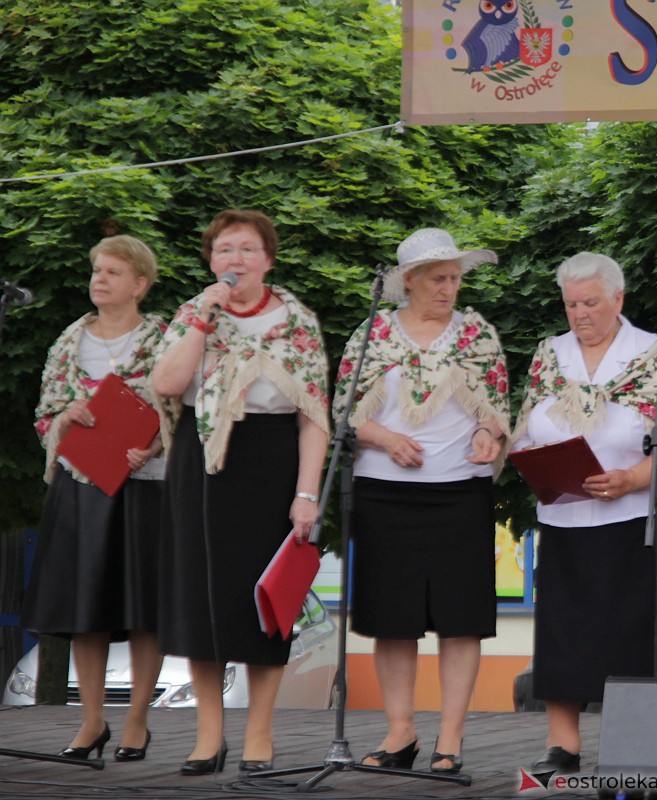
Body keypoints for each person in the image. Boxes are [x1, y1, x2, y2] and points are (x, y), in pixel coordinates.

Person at [152, 210, 330, 776]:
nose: (235, 260)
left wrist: (306, 493)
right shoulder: (192, 313)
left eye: (248, 250)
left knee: (264, 606)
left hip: (271, 462)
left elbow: (315, 418)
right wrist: (203, 319)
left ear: (268, 260)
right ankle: (209, 737)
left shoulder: (298, 322)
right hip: (201, 461)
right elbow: (166, 385)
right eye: (225, 250)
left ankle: (259, 735)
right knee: (200, 602)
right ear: (211, 261)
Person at [331, 228, 508, 774]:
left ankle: (449, 740)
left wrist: (489, 435)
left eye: (455, 278)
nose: (449, 288)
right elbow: (341, 410)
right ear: (408, 281)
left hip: (459, 492)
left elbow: (498, 407)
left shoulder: (477, 334)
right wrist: (382, 438)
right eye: (438, 279)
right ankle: (399, 732)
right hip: (384, 493)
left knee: (461, 619)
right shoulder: (372, 334)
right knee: (392, 619)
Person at [512, 252, 657, 774]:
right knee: (564, 633)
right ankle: (562, 744)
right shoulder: (551, 353)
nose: (580, 314)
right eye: (571, 304)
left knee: (633, 632)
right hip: (566, 516)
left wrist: (632, 479)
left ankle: (638, 739)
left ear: (618, 298)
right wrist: (530, 458)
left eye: (590, 302)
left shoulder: (651, 352)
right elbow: (528, 425)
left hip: (635, 518)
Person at [22, 235, 170, 762]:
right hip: (81, 485)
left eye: (112, 272)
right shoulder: (68, 341)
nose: (99, 279)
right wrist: (70, 415)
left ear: (139, 284)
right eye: (97, 270)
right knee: (86, 609)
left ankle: (135, 723)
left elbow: (181, 409)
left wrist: (152, 445)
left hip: (144, 488)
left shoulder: (163, 339)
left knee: (143, 606)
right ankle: (90, 722)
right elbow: (45, 413)